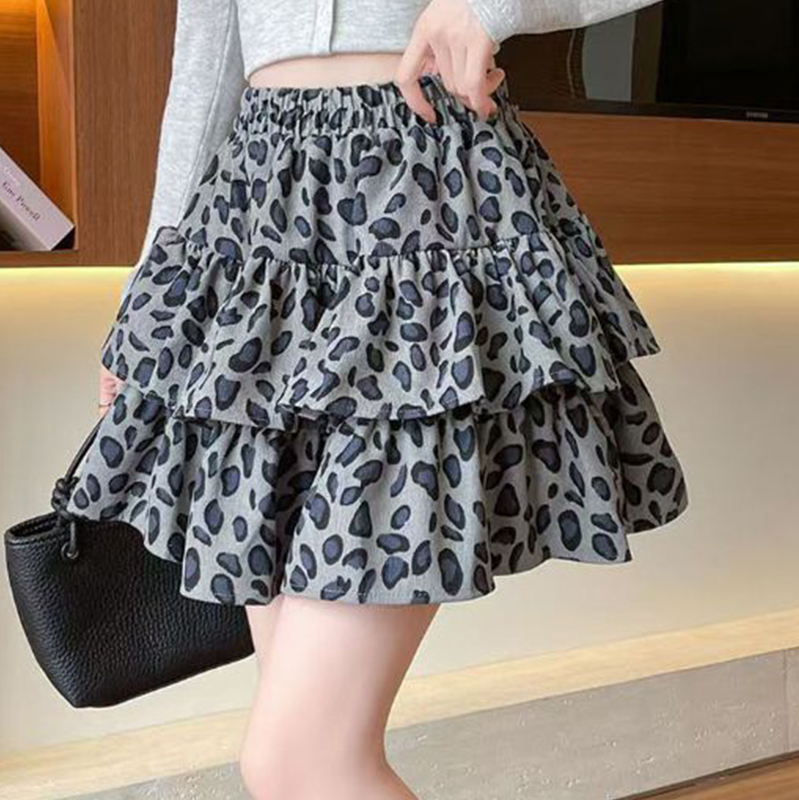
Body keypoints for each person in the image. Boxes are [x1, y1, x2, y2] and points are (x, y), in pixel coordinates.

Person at [70, 0, 688, 797]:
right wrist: (152, 295)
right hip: (260, 224)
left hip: (420, 210)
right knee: (294, 761)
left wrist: (488, 8)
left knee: (298, 760)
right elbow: (205, 69)